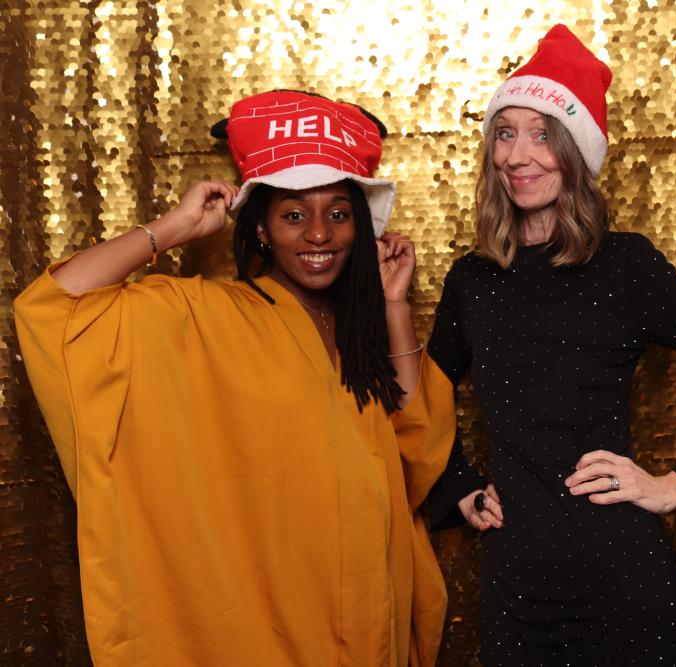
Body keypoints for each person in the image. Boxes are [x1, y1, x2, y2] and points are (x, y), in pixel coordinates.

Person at [13, 90, 455, 666]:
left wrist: (394, 305)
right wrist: (172, 228)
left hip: (370, 609)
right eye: (293, 215)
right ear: (262, 229)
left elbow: (416, 448)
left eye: (338, 214)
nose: (318, 234)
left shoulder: (358, 330)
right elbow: (57, 308)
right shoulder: (204, 313)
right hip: (268, 616)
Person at [423, 25, 676, 665]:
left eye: (543, 135)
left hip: (623, 584)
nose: (518, 155)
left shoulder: (627, 267)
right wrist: (459, 486)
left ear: (576, 152)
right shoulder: (472, 281)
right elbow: (420, 400)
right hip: (517, 588)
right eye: (505, 133)